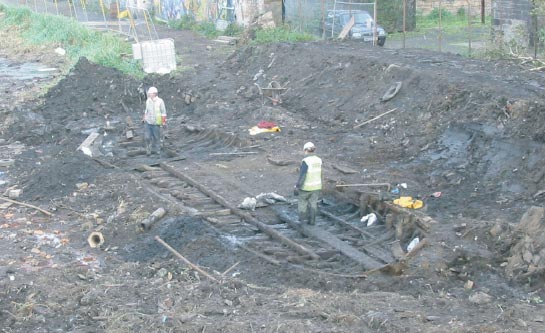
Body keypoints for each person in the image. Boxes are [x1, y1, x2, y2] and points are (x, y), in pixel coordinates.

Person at [294, 142, 323, 225]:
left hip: (306, 187)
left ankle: (302, 221)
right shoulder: (319, 160)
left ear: (306, 150)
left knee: (302, 203)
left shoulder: (306, 161)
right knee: (313, 204)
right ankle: (312, 221)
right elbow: (320, 173)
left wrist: (297, 186)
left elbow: (303, 175)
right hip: (317, 186)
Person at [142, 86, 166, 155]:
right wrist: (144, 118)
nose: (149, 94)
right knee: (147, 137)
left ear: (154, 93)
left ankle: (157, 151)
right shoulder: (148, 101)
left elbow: (163, 112)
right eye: (149, 93)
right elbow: (146, 110)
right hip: (148, 122)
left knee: (156, 137)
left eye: (150, 93)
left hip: (156, 123)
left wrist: (163, 122)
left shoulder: (160, 101)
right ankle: (148, 151)